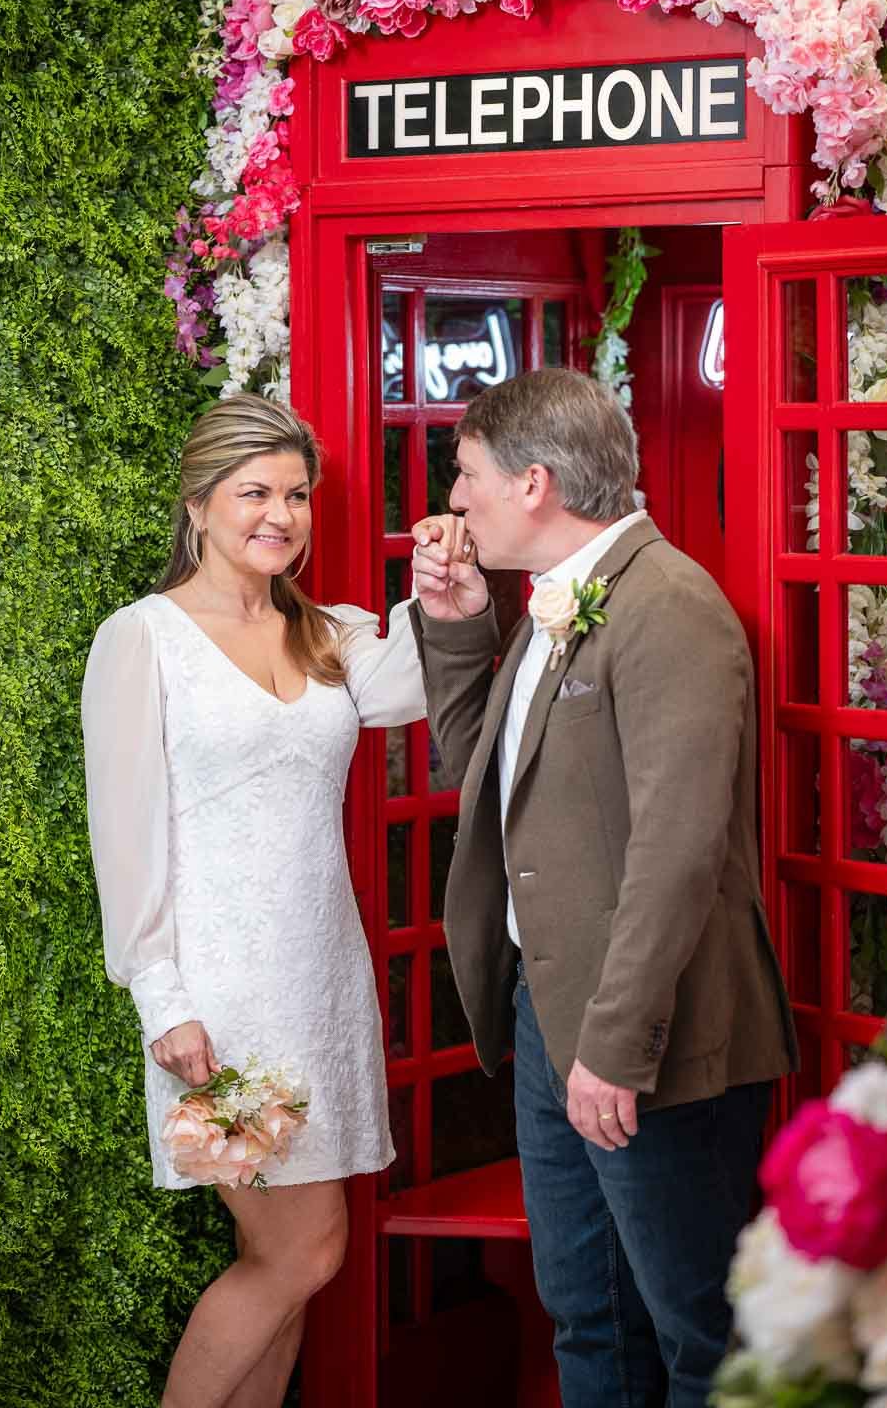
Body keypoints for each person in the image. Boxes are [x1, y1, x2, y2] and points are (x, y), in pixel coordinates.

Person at [408, 368, 798, 1408]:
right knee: (589, 1317)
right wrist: (452, 628)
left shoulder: (667, 605)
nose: (455, 502)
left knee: (697, 1332)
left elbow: (676, 848)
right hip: (550, 1015)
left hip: (653, 1035)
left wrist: (612, 1045)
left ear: (532, 483)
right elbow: (486, 792)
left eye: (467, 475)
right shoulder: (549, 605)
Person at [81, 395, 425, 1408]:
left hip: (320, 987)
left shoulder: (325, 634)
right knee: (304, 1250)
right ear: (199, 504)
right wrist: (162, 997)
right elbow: (125, 834)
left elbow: (412, 691)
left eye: (297, 494)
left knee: (291, 1273)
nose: (280, 513)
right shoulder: (142, 640)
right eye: (254, 492)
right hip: (219, 1005)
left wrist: (445, 584)